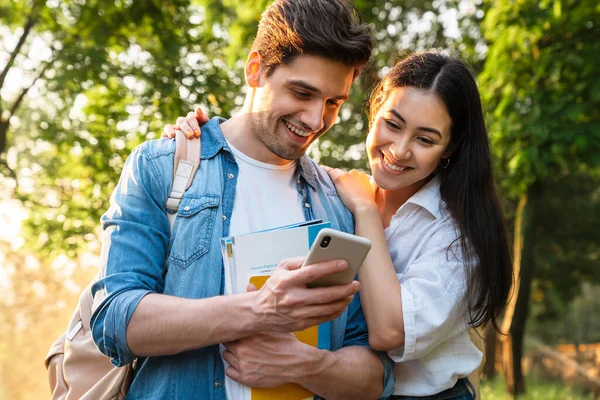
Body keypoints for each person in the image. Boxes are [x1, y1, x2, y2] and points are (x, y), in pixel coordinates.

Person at [91, 1, 394, 399]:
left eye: (334, 102)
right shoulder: (162, 167)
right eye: (302, 92)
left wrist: (307, 365)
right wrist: (259, 310)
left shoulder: (339, 202)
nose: (316, 119)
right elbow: (114, 319)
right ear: (255, 69)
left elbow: (377, 378)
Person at [170, 52, 513, 399]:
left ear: (449, 148)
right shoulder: (334, 191)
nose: (399, 150)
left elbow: (390, 333)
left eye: (425, 139)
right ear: (374, 111)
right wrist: (203, 136)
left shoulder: (455, 234)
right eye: (392, 124)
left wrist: (365, 212)